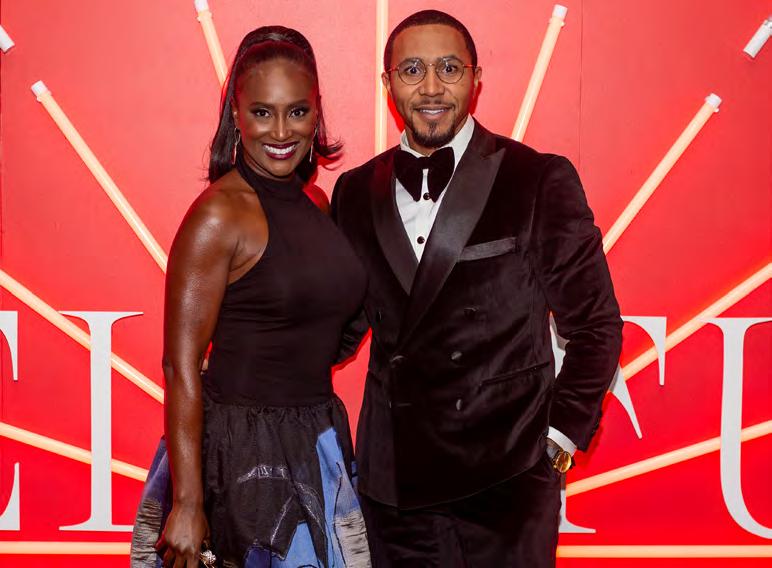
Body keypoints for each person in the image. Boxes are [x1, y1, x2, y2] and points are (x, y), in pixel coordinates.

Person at [332, 9, 623, 567]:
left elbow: (595, 325)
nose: (431, 87)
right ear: (388, 82)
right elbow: (339, 329)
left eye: (449, 68)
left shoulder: (536, 178)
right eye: (412, 70)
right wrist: (249, 357)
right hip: (394, 488)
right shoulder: (353, 192)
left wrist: (558, 441)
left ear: (476, 78)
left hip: (507, 483)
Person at [131, 26, 371, 568]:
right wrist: (188, 502)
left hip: (317, 434)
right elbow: (180, 365)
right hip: (242, 452)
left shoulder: (316, 202)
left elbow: (322, 319)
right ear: (236, 117)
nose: (281, 131)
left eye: (297, 112)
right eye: (262, 113)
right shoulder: (219, 215)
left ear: (316, 113)